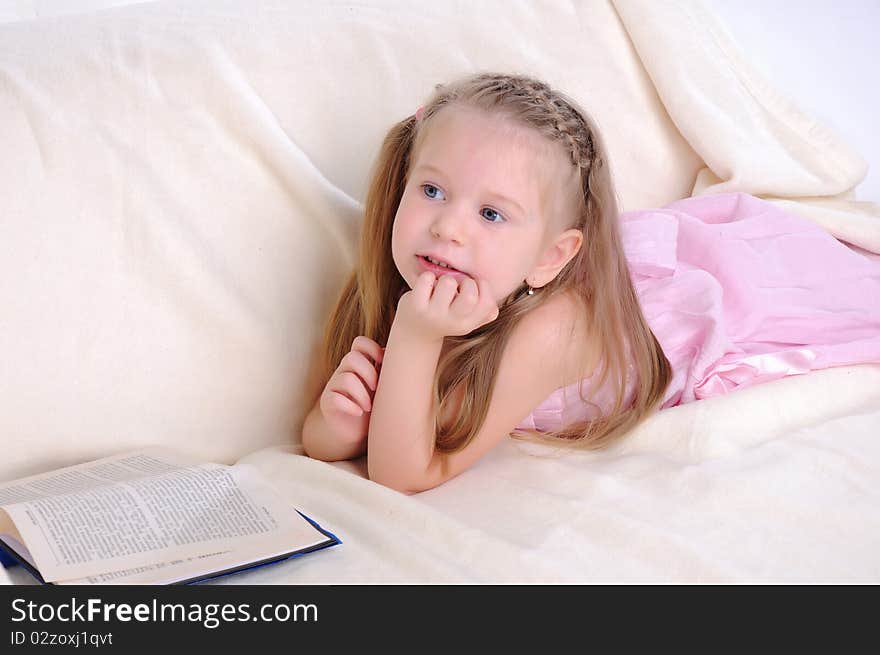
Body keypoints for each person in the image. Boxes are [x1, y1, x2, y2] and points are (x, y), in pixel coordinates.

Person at [302, 71, 880, 493]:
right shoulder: (416, 277)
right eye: (431, 191)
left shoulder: (550, 332)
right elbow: (351, 433)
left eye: (491, 214)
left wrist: (416, 337)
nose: (448, 227)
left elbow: (404, 471)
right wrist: (335, 428)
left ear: (550, 257)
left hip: (706, 306)